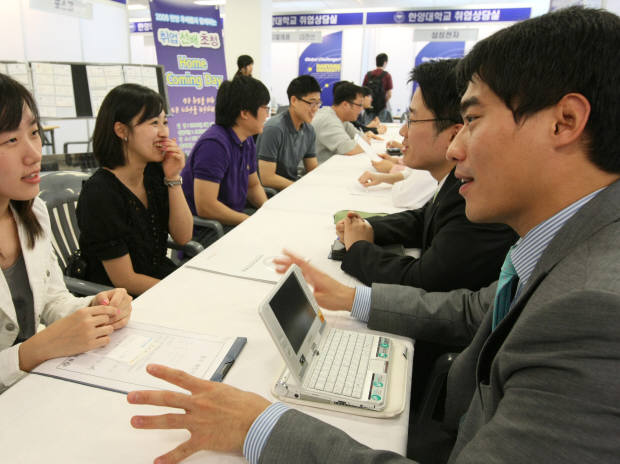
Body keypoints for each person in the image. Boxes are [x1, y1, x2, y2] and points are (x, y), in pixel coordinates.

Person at [126, 7, 620, 464]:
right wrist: (355, 299)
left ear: (565, 122)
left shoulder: (594, 312)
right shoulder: (572, 243)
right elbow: (476, 310)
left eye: (471, 120)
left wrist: (261, 427)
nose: (455, 147)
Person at [0, 65, 133, 445]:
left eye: (33, 133)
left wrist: (96, 308)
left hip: (31, 390)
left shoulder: (28, 210)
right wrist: (36, 350)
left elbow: (51, 300)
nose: (35, 153)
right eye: (10, 141)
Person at [338, 59, 517, 292]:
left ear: (453, 134)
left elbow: (422, 283)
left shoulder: (479, 197)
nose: (403, 132)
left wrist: (360, 247)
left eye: (411, 120)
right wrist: (368, 227)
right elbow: (425, 219)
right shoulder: (453, 183)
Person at [76, 84, 193, 296]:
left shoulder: (154, 173)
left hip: (157, 282)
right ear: (121, 130)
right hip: (118, 300)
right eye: (153, 123)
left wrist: (173, 178)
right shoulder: (100, 193)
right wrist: (181, 292)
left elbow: (183, 236)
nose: (164, 132)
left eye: (164, 122)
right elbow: (125, 280)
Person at [180, 76, 269, 247]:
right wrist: (248, 220)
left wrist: (267, 211)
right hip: (208, 230)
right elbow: (206, 207)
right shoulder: (214, 145)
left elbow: (253, 186)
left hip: (232, 219)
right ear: (244, 113)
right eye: (264, 108)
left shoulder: (247, 140)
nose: (267, 114)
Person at [256, 75, 320, 191]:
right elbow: (266, 178)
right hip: (270, 192)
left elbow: (313, 168)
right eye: (311, 103)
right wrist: (299, 188)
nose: (315, 109)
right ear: (294, 100)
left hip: (290, 187)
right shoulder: (274, 129)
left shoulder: (309, 130)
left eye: (318, 103)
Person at [310, 81, 371, 163]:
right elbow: (350, 149)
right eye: (359, 105)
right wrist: (361, 142)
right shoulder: (328, 120)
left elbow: (362, 137)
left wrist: (361, 142)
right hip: (312, 172)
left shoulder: (342, 119)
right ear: (345, 105)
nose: (361, 109)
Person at [363, 52, 393, 122]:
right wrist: (382, 102)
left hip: (369, 107)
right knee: (380, 128)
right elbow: (389, 94)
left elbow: (363, 91)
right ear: (385, 62)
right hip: (381, 108)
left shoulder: (368, 75)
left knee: (368, 128)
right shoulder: (387, 75)